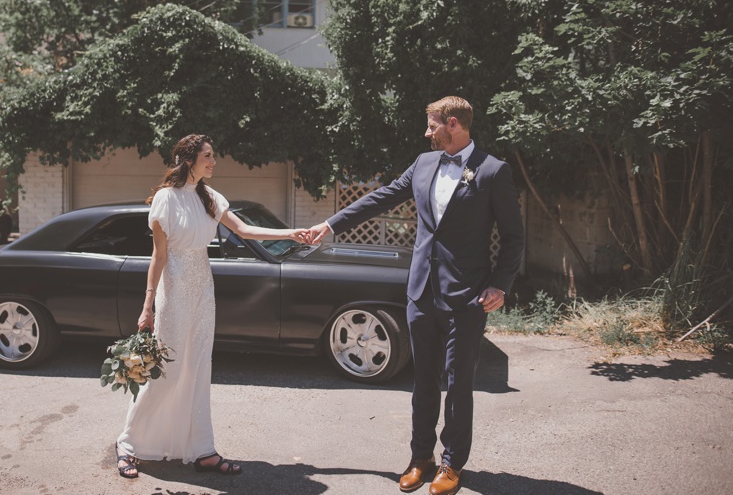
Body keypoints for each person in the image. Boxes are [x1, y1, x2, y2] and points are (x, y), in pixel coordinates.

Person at [308, 96, 524, 495]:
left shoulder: (493, 171)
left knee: (458, 383)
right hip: (421, 291)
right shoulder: (424, 164)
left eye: (432, 126)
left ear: (453, 124)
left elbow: (514, 236)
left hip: (468, 295)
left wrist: (500, 284)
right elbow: (383, 196)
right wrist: (331, 224)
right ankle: (420, 457)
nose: (426, 133)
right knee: (423, 380)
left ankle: (451, 463)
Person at [115, 134, 308, 479]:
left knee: (199, 368)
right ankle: (128, 444)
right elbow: (159, 257)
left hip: (203, 289)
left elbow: (245, 231)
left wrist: (289, 233)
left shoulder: (211, 198)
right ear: (190, 160)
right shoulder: (165, 199)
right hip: (173, 290)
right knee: (167, 370)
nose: (214, 161)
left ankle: (202, 449)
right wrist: (148, 307)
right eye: (209, 156)